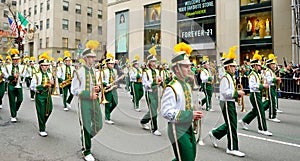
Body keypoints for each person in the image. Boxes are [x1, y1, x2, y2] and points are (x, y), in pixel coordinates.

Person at [161, 42, 203, 161]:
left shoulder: (186, 84)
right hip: (177, 128)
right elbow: (166, 111)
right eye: (186, 66)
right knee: (187, 159)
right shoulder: (171, 87)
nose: (189, 68)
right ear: (177, 68)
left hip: (188, 126)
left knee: (189, 157)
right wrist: (190, 115)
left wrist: (194, 113)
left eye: (189, 65)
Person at [208, 46, 246, 157]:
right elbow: (224, 93)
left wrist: (236, 93)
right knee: (231, 124)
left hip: (229, 102)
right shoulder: (225, 77)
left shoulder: (230, 77)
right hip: (226, 102)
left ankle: (215, 134)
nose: (235, 69)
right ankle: (232, 148)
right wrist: (237, 93)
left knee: (232, 123)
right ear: (228, 67)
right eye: (233, 67)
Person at [71, 40, 103, 161]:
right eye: (90, 57)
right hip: (84, 102)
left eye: (94, 57)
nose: (93, 60)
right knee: (86, 125)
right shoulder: (78, 72)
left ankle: (85, 139)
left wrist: (98, 88)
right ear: (85, 58)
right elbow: (73, 90)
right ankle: (87, 150)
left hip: (95, 101)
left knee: (99, 124)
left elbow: (98, 85)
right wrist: (88, 94)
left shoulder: (96, 71)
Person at [239, 51, 272, 136]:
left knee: (255, 110)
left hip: (258, 94)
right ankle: (262, 128)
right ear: (254, 66)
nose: (260, 66)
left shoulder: (257, 74)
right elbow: (252, 86)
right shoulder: (252, 74)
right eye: (258, 65)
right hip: (254, 94)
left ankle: (244, 121)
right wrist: (262, 86)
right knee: (260, 111)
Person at [30, 52, 54, 137]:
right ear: (40, 66)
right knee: (41, 112)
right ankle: (42, 129)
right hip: (40, 95)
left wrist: (52, 83)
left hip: (47, 95)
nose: (45, 67)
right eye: (44, 65)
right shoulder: (36, 75)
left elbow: (52, 85)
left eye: (47, 65)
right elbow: (32, 87)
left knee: (49, 110)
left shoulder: (50, 74)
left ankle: (42, 123)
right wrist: (43, 86)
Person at [140, 45, 162, 136]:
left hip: (156, 91)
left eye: (155, 61)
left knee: (154, 110)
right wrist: (153, 84)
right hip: (149, 92)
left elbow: (159, 80)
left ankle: (143, 121)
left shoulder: (157, 71)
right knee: (153, 110)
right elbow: (145, 84)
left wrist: (161, 81)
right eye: (152, 61)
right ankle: (154, 128)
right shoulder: (146, 72)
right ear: (149, 62)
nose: (154, 63)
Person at [2, 49, 27, 122]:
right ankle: (13, 115)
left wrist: (20, 77)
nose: (16, 61)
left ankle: (14, 109)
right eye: (14, 59)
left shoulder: (22, 67)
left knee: (20, 99)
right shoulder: (7, 67)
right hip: (11, 84)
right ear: (12, 60)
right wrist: (13, 77)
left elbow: (24, 75)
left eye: (17, 59)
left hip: (19, 84)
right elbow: (5, 76)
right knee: (12, 100)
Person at [264, 54, 281, 123]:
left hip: (273, 87)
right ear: (269, 65)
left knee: (270, 102)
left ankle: (258, 110)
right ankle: (272, 116)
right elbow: (269, 80)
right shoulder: (268, 71)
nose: (275, 65)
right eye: (273, 64)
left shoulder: (272, 71)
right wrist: (276, 79)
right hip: (270, 87)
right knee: (272, 102)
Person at [102, 53, 119, 125]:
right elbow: (101, 80)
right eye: (110, 64)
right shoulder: (104, 71)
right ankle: (107, 118)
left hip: (113, 88)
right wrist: (106, 84)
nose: (112, 65)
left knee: (115, 102)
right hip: (107, 88)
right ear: (107, 64)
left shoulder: (114, 71)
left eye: (113, 64)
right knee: (108, 103)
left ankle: (107, 113)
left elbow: (115, 78)